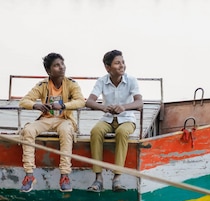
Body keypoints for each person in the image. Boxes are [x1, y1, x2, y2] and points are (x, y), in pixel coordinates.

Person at [18, 52, 86, 193]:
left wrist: (63, 106)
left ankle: (64, 175)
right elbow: (24, 101)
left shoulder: (71, 84)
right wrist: (36, 105)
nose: (61, 67)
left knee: (66, 131)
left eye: (62, 64)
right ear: (49, 71)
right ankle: (29, 175)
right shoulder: (43, 85)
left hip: (64, 120)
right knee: (28, 130)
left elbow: (80, 101)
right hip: (46, 119)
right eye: (56, 65)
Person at [86, 50, 143, 192]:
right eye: (117, 63)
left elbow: (139, 102)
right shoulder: (102, 81)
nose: (122, 65)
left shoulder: (131, 80)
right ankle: (98, 178)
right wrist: (104, 108)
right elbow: (89, 102)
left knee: (122, 133)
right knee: (96, 131)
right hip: (108, 119)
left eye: (123, 62)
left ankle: (117, 178)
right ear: (108, 67)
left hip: (127, 119)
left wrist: (123, 107)